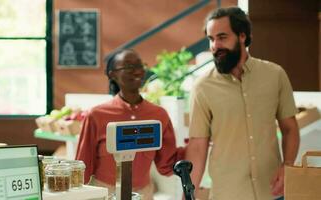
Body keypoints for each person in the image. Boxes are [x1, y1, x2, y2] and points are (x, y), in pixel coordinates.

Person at [185, 7, 300, 200]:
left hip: (272, 192)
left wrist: (287, 166)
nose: (215, 45)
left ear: (242, 36)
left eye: (222, 37)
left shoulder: (275, 75)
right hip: (228, 194)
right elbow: (198, 145)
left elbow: (290, 128)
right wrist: (188, 194)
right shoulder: (202, 87)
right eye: (211, 39)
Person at [75, 49, 184, 199]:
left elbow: (166, 165)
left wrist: (195, 146)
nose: (137, 71)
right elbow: (83, 166)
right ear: (113, 74)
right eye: (128, 67)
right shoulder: (96, 115)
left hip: (144, 193)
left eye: (139, 66)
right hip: (104, 192)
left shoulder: (159, 115)